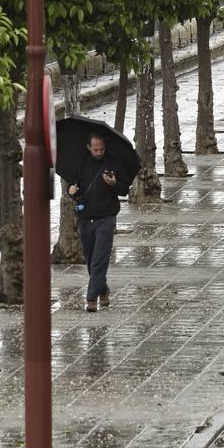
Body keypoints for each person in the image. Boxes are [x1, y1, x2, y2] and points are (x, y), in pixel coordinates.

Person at [69, 134, 129, 313]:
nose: (99, 152)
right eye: (96, 149)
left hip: (106, 217)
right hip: (85, 217)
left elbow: (124, 189)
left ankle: (91, 297)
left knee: (99, 259)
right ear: (89, 147)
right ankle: (103, 289)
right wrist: (71, 191)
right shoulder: (80, 163)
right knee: (89, 258)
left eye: (102, 149)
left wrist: (114, 183)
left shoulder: (114, 162)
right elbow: (73, 187)